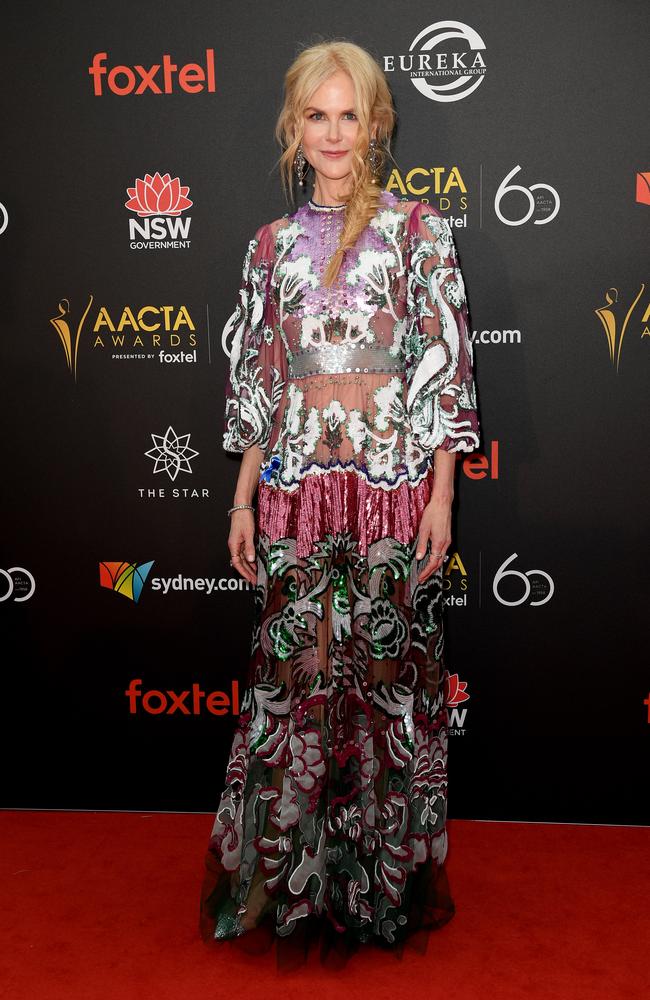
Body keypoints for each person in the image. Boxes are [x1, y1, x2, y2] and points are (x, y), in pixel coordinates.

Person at [199, 39, 480, 956]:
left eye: (349, 114)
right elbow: (258, 385)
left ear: (376, 124)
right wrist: (240, 503)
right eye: (315, 115)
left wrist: (442, 495)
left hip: (391, 495)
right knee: (296, 690)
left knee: (384, 692)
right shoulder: (269, 247)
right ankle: (290, 889)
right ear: (294, 125)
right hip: (290, 496)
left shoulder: (419, 232)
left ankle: (377, 893)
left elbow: (443, 372)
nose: (332, 132)